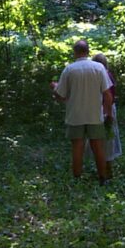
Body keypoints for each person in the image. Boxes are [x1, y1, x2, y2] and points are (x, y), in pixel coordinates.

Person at [50, 39, 113, 183]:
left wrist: (54, 87)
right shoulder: (98, 68)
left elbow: (61, 95)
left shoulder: (69, 69)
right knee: (98, 146)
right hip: (95, 115)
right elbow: (107, 95)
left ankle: (77, 178)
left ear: (75, 52)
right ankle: (102, 178)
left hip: (75, 116)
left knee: (77, 147)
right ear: (88, 51)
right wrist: (107, 113)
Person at [87, 52, 121, 179]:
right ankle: (105, 171)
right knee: (106, 140)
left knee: (104, 140)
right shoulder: (106, 76)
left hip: (102, 110)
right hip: (102, 110)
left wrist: (108, 114)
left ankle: (106, 171)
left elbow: (109, 97)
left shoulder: (100, 76)